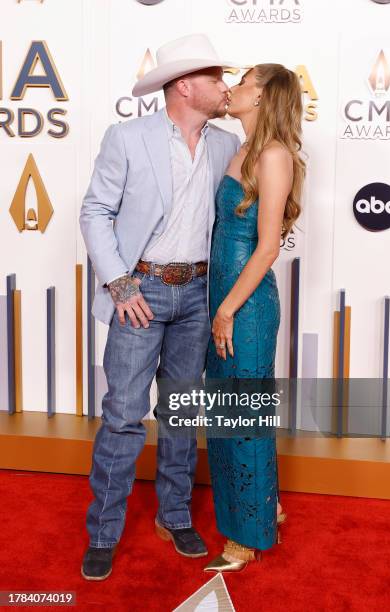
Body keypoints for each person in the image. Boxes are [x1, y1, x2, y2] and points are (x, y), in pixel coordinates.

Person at [78, 33, 241, 581]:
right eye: (215, 78)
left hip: (198, 294)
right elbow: (95, 211)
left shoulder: (225, 145)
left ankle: (174, 515)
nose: (224, 87)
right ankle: (103, 531)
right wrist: (119, 284)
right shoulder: (127, 137)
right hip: (139, 293)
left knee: (181, 412)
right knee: (124, 416)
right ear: (184, 85)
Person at [203, 64, 305, 572]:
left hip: (246, 308)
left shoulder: (274, 155)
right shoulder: (238, 148)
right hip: (223, 301)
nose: (232, 89)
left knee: (240, 419)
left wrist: (225, 309)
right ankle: (266, 508)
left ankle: (246, 537)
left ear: (262, 96)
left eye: (242, 82)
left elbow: (266, 248)